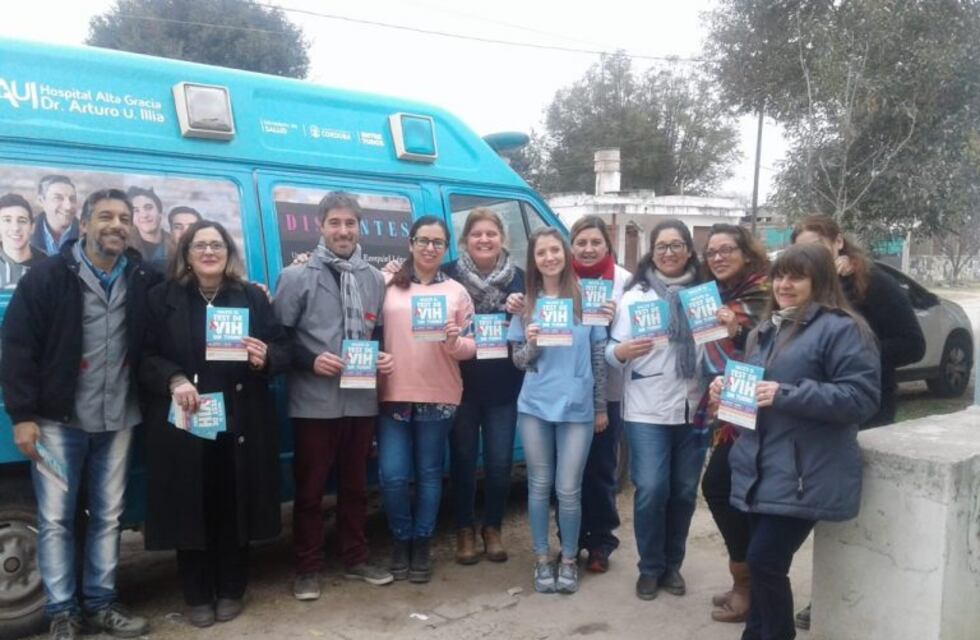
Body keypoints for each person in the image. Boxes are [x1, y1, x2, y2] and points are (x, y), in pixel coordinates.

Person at [1, 188, 158, 640]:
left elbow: (182, 301)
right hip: (57, 423)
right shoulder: (48, 276)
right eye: (105, 216)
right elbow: (17, 348)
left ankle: (102, 603)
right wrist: (23, 415)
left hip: (119, 420)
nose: (117, 225)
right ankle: (62, 613)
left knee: (109, 516)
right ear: (83, 224)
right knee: (54, 520)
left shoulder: (143, 277)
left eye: (123, 217)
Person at [710, 242, 881, 640]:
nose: (784, 285)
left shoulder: (843, 329)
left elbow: (861, 398)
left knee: (766, 562)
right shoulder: (766, 330)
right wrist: (726, 392)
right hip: (762, 466)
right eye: (779, 275)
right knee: (762, 565)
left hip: (807, 470)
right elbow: (754, 394)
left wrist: (785, 394)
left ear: (818, 281)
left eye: (796, 276)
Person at [139, 220, 289, 628]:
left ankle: (231, 590)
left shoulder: (251, 298)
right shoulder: (160, 299)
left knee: (232, 505)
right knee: (192, 506)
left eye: (217, 245)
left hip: (240, 420)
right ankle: (197, 594)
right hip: (186, 422)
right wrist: (173, 377)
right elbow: (141, 356)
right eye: (200, 246)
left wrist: (266, 358)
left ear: (228, 254)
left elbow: (282, 345)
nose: (209, 252)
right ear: (186, 254)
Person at [789, 214, 925, 631]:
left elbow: (914, 344)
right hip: (812, 411)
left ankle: (835, 598)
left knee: (848, 511)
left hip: (865, 413)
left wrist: (855, 353)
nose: (810, 256)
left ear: (838, 244)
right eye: (801, 249)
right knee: (815, 507)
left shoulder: (872, 284)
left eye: (816, 246)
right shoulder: (801, 290)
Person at [273, 192, 394, 601]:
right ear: (320, 226)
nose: (343, 231)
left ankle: (355, 557)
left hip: (360, 400)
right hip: (314, 402)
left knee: (357, 487)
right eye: (335, 223)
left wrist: (379, 358)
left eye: (350, 224)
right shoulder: (297, 276)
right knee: (309, 492)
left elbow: (376, 333)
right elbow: (279, 340)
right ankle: (307, 567)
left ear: (360, 228)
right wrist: (310, 361)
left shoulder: (373, 279)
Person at [605, 220, 706, 601]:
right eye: (661, 246)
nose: (669, 252)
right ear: (652, 251)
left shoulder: (704, 295)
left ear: (688, 250)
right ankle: (649, 568)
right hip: (646, 409)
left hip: (693, 406)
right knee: (650, 489)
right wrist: (622, 352)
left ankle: (672, 566)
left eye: (676, 245)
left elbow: (716, 348)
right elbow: (609, 353)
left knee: (683, 491)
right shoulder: (635, 297)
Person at [508, 227, 607, 595]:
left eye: (555, 250)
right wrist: (532, 343)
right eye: (541, 253)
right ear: (533, 260)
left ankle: (568, 558)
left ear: (565, 254)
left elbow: (599, 357)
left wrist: (599, 407)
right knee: (539, 486)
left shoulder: (587, 298)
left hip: (577, 407)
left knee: (568, 490)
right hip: (534, 406)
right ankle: (540, 558)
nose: (549, 257)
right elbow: (518, 361)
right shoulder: (524, 303)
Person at [378, 215, 475, 583]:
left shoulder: (457, 292)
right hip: (393, 395)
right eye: (423, 240)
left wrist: (455, 344)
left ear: (446, 248)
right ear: (410, 243)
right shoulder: (387, 284)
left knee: (431, 475)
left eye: (438, 242)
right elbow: (368, 331)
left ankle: (422, 543)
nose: (430, 248)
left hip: (440, 394)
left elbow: (472, 346)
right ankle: (401, 538)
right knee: (393, 475)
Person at [695, 224, 770, 624]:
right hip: (731, 404)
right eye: (712, 252)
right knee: (726, 488)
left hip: (764, 407)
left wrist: (737, 328)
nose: (719, 257)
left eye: (727, 250)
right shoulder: (716, 297)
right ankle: (745, 582)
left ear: (746, 253)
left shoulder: (764, 291)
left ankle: (753, 587)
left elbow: (766, 343)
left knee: (725, 487)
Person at [442, 208, 525, 565]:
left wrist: (522, 309)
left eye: (491, 233)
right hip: (459, 384)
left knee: (499, 463)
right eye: (476, 234)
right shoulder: (448, 276)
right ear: (465, 240)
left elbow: (539, 321)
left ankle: (492, 528)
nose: (484, 239)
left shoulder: (520, 279)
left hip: (504, 387)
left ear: (502, 238)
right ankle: (463, 530)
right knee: (461, 461)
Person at [567, 215, 630, 573]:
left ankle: (602, 542)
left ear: (608, 246)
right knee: (569, 472)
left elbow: (638, 323)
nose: (588, 249)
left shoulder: (624, 281)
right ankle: (571, 540)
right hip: (570, 391)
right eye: (581, 242)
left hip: (611, 393)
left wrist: (617, 315)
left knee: (603, 469)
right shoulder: (562, 279)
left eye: (595, 242)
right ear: (571, 246)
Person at [0, 193, 47, 289]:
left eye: (22, 221)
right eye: (7, 220)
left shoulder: (50, 268)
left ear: (32, 227)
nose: (15, 228)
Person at [30, 174, 79, 255]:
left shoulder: (87, 236)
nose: (68, 206)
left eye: (72, 199)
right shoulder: (24, 234)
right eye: (58, 198)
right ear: (41, 201)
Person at [126, 186, 170, 265]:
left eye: (148, 208)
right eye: (136, 210)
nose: (144, 215)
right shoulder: (124, 246)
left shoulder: (176, 246)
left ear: (160, 213)